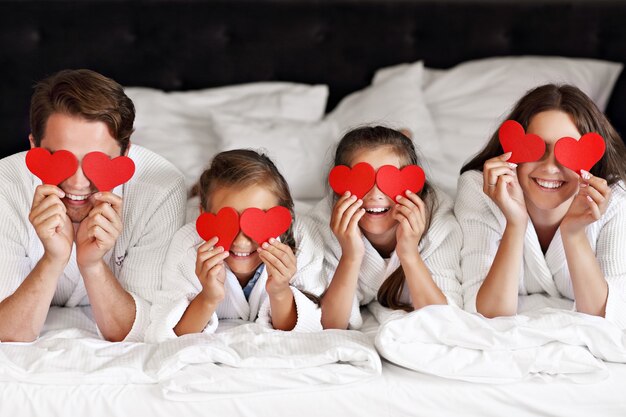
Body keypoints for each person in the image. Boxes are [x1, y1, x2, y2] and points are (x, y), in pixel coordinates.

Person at [0, 69, 186, 342]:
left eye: (95, 161)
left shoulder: (161, 190)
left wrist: (93, 265)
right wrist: (52, 260)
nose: (77, 184)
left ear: (125, 152)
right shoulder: (5, 186)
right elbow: (8, 332)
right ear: (33, 147)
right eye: (61, 158)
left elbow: (138, 332)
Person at [455, 84, 626, 326]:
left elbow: (607, 319)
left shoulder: (615, 201)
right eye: (536, 149)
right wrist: (515, 223)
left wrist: (574, 234)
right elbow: (487, 314)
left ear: (591, 160)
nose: (549, 167)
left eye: (568, 153)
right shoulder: (480, 189)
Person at [147, 149, 325, 341]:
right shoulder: (187, 246)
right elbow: (162, 334)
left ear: (280, 220)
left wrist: (280, 291)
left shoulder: (303, 240)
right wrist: (208, 297)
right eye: (227, 223)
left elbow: (313, 327)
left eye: (256, 223)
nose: (241, 241)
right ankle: (194, 195)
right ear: (204, 216)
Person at [309, 126, 462, 330]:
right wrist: (350, 256)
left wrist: (409, 253)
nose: (375, 194)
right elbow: (331, 324)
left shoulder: (439, 222)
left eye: (388, 180)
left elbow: (443, 320)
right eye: (361, 181)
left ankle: (405, 137)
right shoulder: (321, 225)